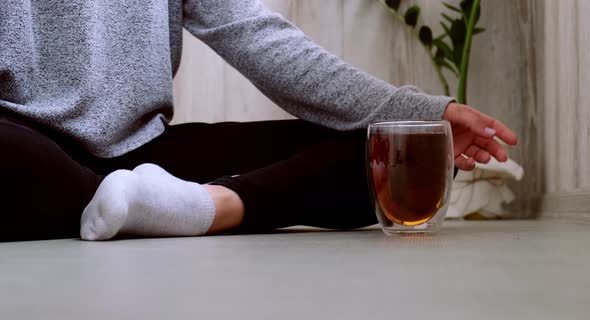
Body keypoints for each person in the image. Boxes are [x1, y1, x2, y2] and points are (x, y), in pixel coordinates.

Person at [0, 0, 517, 241]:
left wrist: (428, 113)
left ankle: (207, 206)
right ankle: (139, 203)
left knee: (409, 156)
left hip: (144, 153)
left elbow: (262, 39)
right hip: (22, 145)